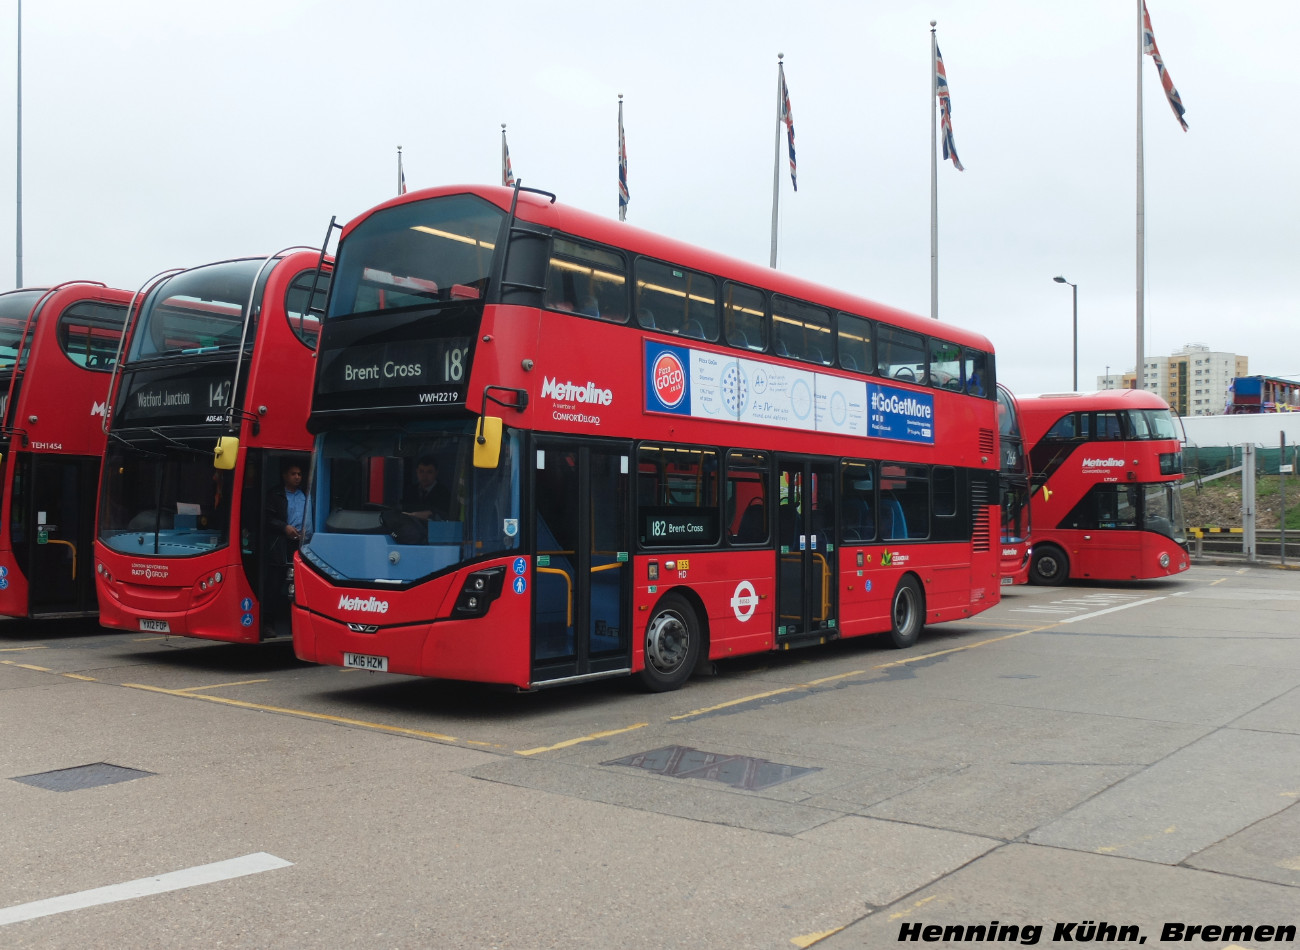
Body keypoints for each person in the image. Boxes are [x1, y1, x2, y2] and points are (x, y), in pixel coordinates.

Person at [264, 461, 308, 633]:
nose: (297, 477)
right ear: (284, 476)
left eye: (299, 474)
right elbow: (267, 518)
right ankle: (268, 622)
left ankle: (296, 624)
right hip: (281, 544)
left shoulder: (304, 494)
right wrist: (284, 527)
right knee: (275, 583)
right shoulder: (275, 494)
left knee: (298, 584)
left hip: (301, 543)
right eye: (293, 474)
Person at [403, 456, 451, 521]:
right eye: (421, 471)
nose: (424, 476)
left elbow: (444, 517)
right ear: (416, 471)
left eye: (429, 472)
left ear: (436, 473)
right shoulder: (409, 491)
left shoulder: (444, 494)